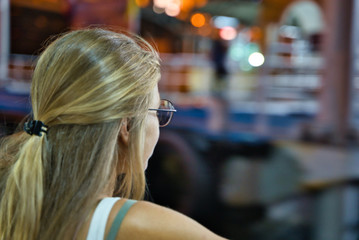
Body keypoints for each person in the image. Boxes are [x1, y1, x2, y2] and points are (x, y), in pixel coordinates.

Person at [0, 28, 226, 240]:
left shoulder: (11, 202)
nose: (159, 122)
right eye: (158, 111)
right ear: (126, 126)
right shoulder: (139, 225)